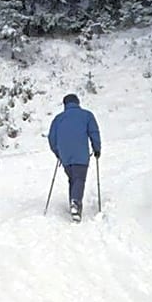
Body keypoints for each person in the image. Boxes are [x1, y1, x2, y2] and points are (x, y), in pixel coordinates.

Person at [47, 93, 101, 222]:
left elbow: (52, 138)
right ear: (77, 102)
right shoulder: (87, 115)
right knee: (79, 179)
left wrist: (58, 153)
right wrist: (97, 148)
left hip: (65, 155)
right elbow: (94, 132)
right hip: (80, 154)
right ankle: (75, 203)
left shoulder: (58, 119)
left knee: (73, 179)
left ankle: (74, 203)